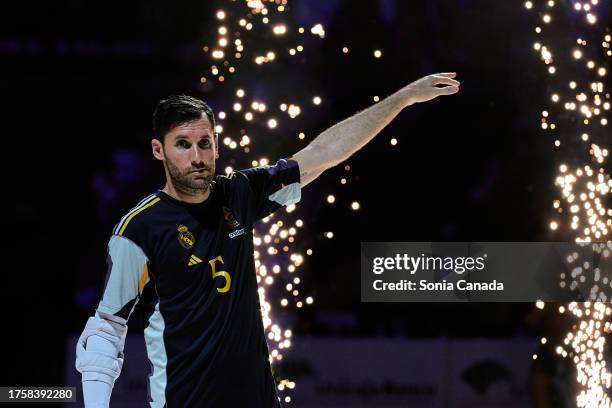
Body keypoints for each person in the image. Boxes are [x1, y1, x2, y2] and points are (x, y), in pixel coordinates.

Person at [75, 73, 460, 407]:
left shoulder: (241, 194)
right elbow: (106, 329)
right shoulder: (139, 227)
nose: (197, 156)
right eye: (183, 144)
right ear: (158, 150)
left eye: (205, 143)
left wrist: (403, 98)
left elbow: (324, 153)